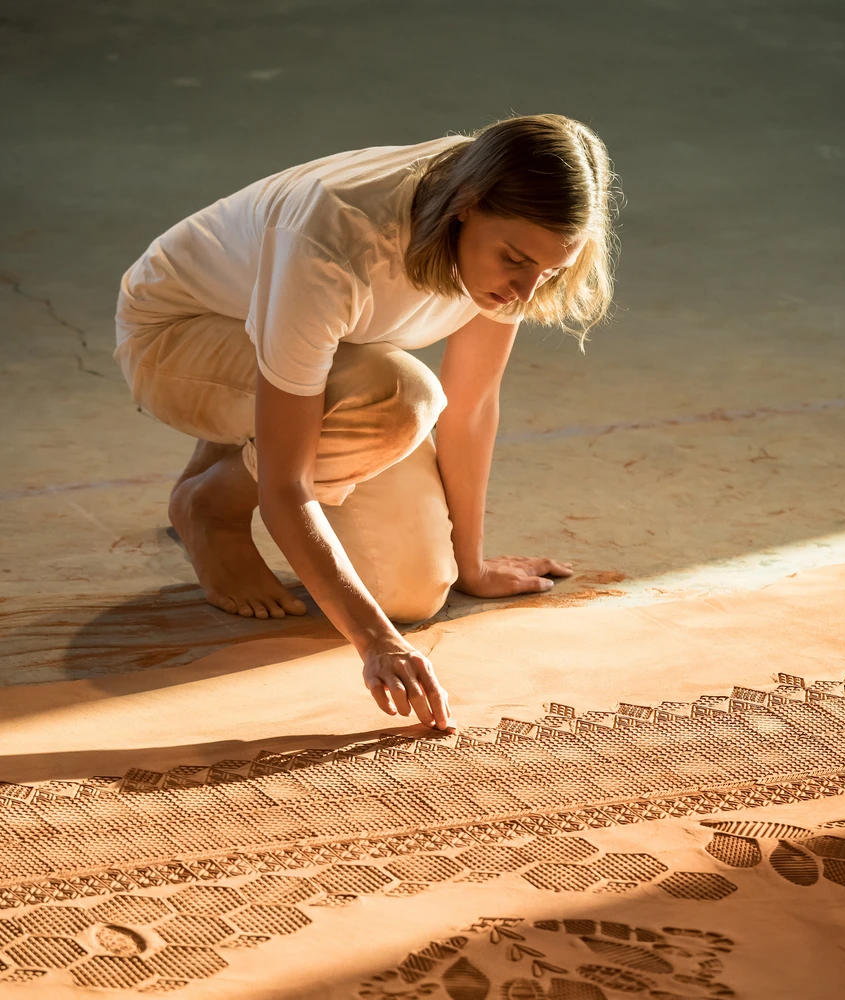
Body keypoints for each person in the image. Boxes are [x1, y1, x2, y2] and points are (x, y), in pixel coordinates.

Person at [114, 114, 619, 732]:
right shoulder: (339, 233)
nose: (524, 288)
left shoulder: (514, 232)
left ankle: (238, 442)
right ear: (466, 205)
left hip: (302, 347)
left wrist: (473, 565)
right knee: (398, 401)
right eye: (515, 260)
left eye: (550, 271)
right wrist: (378, 645)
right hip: (178, 335)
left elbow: (471, 408)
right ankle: (211, 504)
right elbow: (287, 488)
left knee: (411, 591)